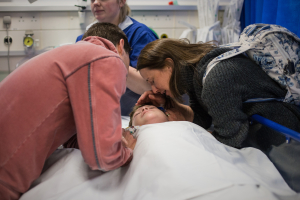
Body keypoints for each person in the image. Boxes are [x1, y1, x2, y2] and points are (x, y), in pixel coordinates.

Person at [135, 38, 300, 192]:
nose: (154, 89)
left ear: (168, 65)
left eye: (152, 80)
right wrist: (170, 105)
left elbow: (231, 139)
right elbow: (203, 118)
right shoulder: (198, 75)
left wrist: (191, 145)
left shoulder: (216, 77)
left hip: (283, 135)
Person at [0, 23, 136, 200]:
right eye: (127, 64)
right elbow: (104, 157)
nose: (125, 75)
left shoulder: (71, 55)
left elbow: (72, 138)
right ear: (120, 46)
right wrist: (126, 150)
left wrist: (110, 134)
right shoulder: (107, 58)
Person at [76, 0, 158, 116]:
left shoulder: (140, 34)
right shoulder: (83, 39)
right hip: (100, 115)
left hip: (137, 115)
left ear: (121, 2)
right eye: (93, 0)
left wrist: (115, 62)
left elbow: (152, 86)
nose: (96, 3)